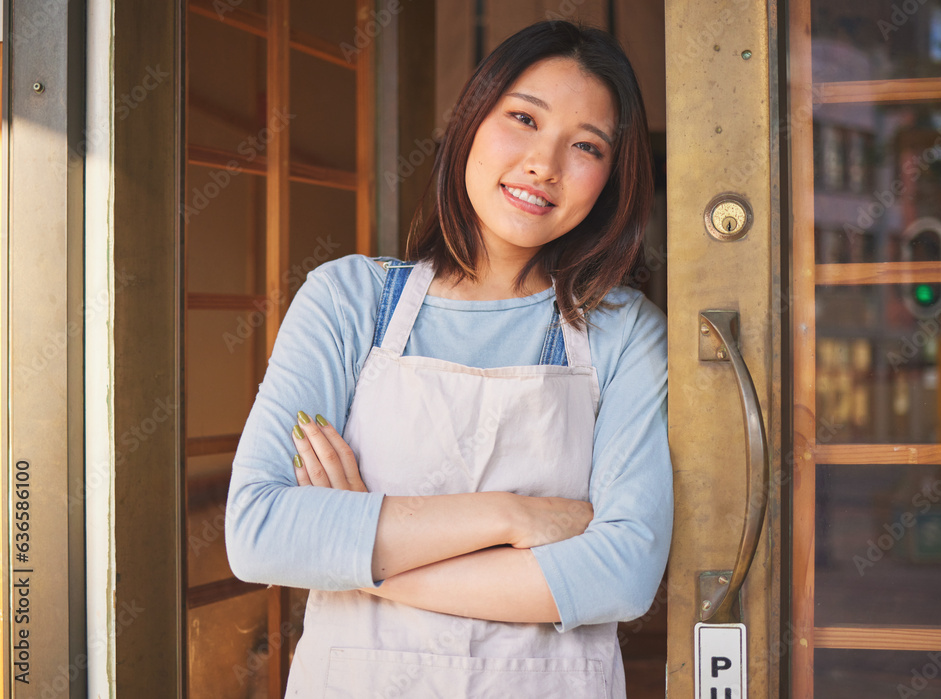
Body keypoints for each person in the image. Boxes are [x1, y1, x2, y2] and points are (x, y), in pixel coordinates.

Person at [226, 19, 672, 698]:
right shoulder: (350, 299)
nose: (543, 164)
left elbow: (621, 572)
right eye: (523, 118)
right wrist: (512, 518)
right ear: (469, 121)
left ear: (611, 177)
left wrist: (359, 554)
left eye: (585, 145)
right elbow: (259, 531)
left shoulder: (623, 333)